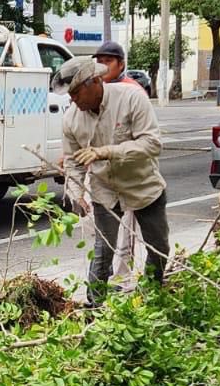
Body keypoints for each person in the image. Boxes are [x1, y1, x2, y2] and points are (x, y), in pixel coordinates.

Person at [58, 56, 171, 306]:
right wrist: (76, 193)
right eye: (70, 95)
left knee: (159, 247)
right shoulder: (71, 119)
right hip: (105, 190)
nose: (73, 100)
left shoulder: (131, 98)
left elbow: (152, 144)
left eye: (76, 93)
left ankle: (151, 299)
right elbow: (73, 162)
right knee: (103, 250)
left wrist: (106, 152)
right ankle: (95, 306)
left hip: (143, 185)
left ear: (95, 82)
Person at [94, 41, 146, 277]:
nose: (103, 66)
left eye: (108, 61)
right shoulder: (94, 90)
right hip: (100, 176)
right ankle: (101, 282)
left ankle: (122, 279)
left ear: (121, 64)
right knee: (102, 237)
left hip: (127, 175)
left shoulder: (133, 91)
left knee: (125, 234)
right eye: (100, 62)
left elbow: (143, 138)